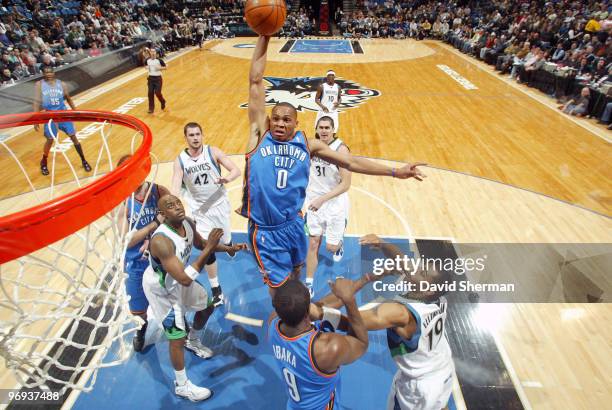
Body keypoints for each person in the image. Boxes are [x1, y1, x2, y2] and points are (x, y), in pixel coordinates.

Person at [240, 35, 426, 296]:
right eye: (276, 119)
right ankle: (285, 328)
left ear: (296, 123)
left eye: (287, 120)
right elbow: (255, 81)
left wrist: (395, 171)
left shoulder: (308, 144)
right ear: (269, 120)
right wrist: (265, 34)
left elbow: (350, 161)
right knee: (280, 292)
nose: (280, 124)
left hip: (293, 224)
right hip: (265, 231)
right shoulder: (259, 135)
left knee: (296, 274)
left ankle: (298, 308)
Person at [327, 234, 455, 410]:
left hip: (419, 387)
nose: (414, 268)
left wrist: (332, 306)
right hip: (441, 367)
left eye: (421, 272)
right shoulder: (437, 298)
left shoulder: (401, 313)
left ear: (428, 289)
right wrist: (382, 244)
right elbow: (400, 258)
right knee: (439, 405)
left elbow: (353, 323)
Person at [142, 195, 247, 401]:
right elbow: (183, 279)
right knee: (176, 337)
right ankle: (182, 385)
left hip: (181, 278)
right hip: (163, 291)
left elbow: (201, 244)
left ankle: (194, 340)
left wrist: (227, 248)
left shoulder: (188, 223)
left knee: (207, 306)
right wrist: (210, 247)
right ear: (162, 215)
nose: (177, 207)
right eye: (170, 206)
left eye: (178, 203)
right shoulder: (161, 241)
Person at [269, 277, 369, 409]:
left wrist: (364, 280)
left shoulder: (273, 324)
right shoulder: (327, 349)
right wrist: (349, 300)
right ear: (307, 313)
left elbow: (321, 305)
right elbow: (361, 343)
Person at [171, 122, 241, 306]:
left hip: (219, 204)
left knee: (225, 241)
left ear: (202, 135)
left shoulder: (213, 152)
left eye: (197, 134)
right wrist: (171, 205)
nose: (195, 138)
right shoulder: (180, 161)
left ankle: (228, 243)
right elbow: (175, 187)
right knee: (207, 247)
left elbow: (236, 170)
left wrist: (228, 178)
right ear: (185, 138)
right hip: (199, 210)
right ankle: (216, 288)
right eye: (191, 135)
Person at [117, 154, 170, 352]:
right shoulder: (122, 201)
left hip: (160, 260)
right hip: (135, 263)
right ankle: (142, 329)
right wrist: (154, 225)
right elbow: (126, 240)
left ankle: (180, 328)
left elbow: (175, 221)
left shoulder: (159, 191)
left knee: (171, 299)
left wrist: (153, 240)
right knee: (138, 309)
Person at [304, 116, 351, 297]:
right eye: (321, 127)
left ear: (333, 130)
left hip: (334, 203)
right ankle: (309, 284)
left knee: (330, 247)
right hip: (314, 203)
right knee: (314, 243)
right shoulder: (311, 146)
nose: (324, 130)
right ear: (316, 128)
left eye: (327, 128)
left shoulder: (341, 149)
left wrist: (323, 199)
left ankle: (339, 244)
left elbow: (346, 184)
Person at [33, 66, 91, 176]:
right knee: (50, 140)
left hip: (63, 114)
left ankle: (84, 160)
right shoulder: (39, 85)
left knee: (73, 137)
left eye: (50, 72)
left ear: (54, 73)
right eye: (46, 72)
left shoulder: (61, 84)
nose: (48, 74)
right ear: (43, 74)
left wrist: (75, 111)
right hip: (49, 115)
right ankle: (44, 162)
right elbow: (36, 102)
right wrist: (35, 120)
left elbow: (68, 98)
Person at [145, 48, 167, 114]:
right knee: (150, 93)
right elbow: (146, 66)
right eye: (151, 51)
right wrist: (147, 68)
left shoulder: (159, 60)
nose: (153, 53)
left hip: (158, 79)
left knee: (157, 93)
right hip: (150, 79)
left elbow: (166, 67)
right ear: (150, 53)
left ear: (155, 52)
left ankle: (162, 101)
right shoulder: (147, 60)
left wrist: (160, 68)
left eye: (154, 51)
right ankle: (151, 108)